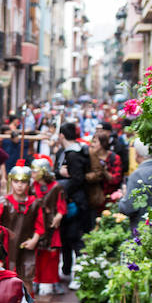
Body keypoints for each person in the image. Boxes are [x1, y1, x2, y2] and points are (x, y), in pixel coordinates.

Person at [0, 160, 39, 291]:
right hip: (6, 247)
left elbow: (40, 225)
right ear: (11, 181)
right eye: (16, 181)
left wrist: (35, 240)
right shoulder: (3, 202)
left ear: (29, 183)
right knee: (5, 279)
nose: (19, 185)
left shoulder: (35, 203)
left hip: (26, 245)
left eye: (23, 182)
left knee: (26, 278)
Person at [55, 122, 88, 288]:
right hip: (65, 202)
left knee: (75, 239)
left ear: (62, 135)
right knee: (64, 238)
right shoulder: (63, 152)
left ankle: (78, 274)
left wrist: (63, 188)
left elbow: (78, 179)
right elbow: (56, 171)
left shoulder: (75, 154)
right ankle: (66, 269)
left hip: (75, 203)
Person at [30, 155, 66, 295]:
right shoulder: (33, 186)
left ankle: (53, 281)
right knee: (36, 254)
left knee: (52, 255)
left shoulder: (56, 187)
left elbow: (61, 204)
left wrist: (59, 215)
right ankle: (36, 281)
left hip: (51, 225)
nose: (32, 174)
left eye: (35, 171)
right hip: (37, 224)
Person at [118, 139, 152, 230]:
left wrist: (124, 195)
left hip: (146, 230)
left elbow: (128, 208)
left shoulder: (138, 175)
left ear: (137, 154)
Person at [84, 132, 122, 215]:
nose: (91, 145)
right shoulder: (89, 157)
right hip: (94, 198)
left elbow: (116, 180)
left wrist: (104, 171)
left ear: (102, 144)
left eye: (94, 142)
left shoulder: (114, 158)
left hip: (110, 199)